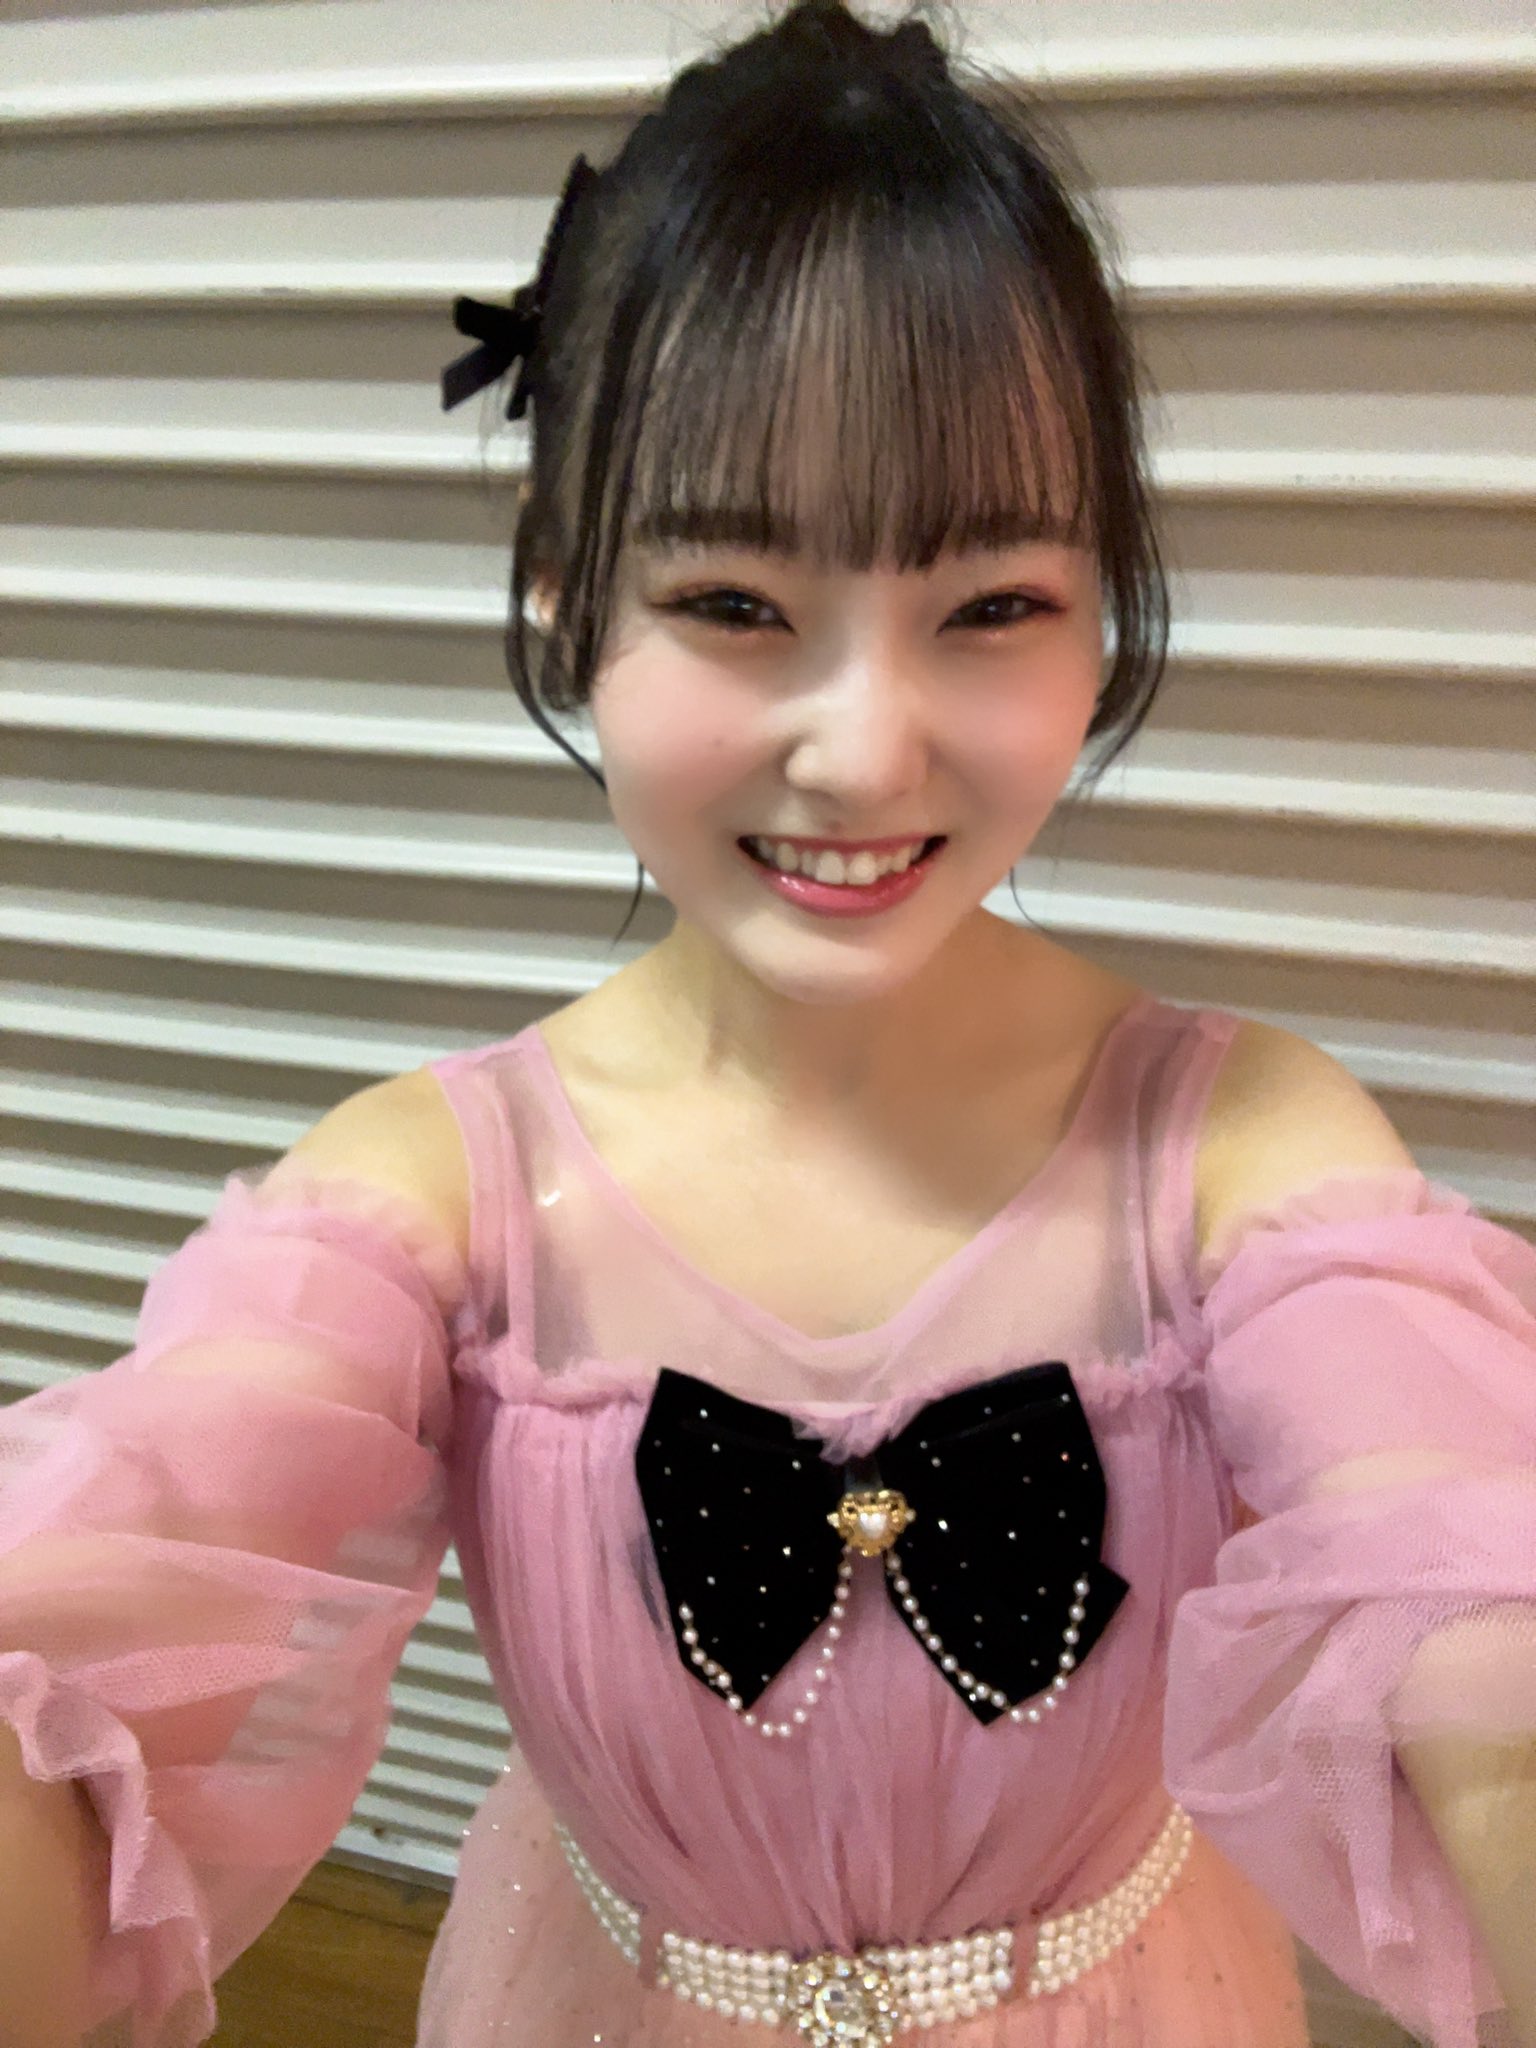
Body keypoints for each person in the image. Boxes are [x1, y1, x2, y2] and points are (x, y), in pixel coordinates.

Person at [1, 3, 1532, 2044]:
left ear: (1103, 617)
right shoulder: (425, 1196)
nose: (864, 749)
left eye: (992, 606)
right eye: (735, 603)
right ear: (568, 597)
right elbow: (131, 1558)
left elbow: (1471, 1590)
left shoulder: (1249, 1148)